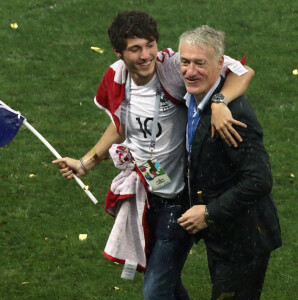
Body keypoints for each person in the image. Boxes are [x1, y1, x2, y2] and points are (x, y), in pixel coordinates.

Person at [53, 11, 254, 300]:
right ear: (119, 52)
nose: (146, 55)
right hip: (147, 197)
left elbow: (244, 72)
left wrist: (220, 102)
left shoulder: (173, 66)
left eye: (150, 44)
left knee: (155, 292)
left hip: (179, 202)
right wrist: (86, 162)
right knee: (167, 284)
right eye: (135, 49)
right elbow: (120, 127)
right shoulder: (117, 78)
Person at [177, 25, 282, 300]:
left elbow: (259, 180)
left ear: (220, 64)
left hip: (244, 238)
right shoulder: (192, 99)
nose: (189, 71)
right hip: (225, 234)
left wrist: (208, 213)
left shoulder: (234, 114)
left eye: (199, 63)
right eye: (185, 62)